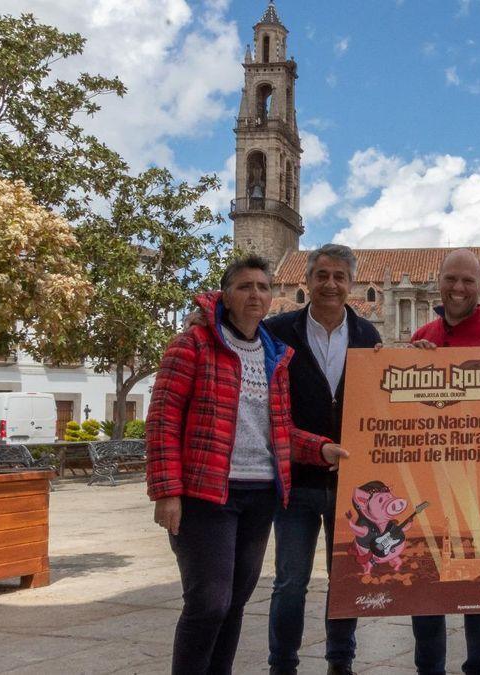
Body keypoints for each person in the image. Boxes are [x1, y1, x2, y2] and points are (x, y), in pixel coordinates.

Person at [146, 255, 348, 675]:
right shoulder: (193, 345)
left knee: (235, 602)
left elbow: (279, 431)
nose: (255, 294)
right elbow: (163, 419)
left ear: (272, 296)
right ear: (226, 294)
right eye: (244, 286)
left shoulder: (274, 354)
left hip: (260, 494)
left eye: (262, 286)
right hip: (208, 492)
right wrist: (166, 492)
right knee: (208, 602)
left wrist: (321, 448)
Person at [265, 244, 381, 675]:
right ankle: (282, 664)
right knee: (290, 583)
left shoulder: (369, 336)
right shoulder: (277, 332)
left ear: (351, 285)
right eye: (322, 275)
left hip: (350, 483)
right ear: (307, 281)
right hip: (296, 480)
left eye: (339, 277)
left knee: (345, 579)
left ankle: (340, 661)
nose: (330, 284)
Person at [400, 248, 480, 674]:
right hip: (429, 484)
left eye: (468, 280)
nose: (458, 288)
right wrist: (407, 366)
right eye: (451, 279)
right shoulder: (421, 337)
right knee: (424, 591)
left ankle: (479, 668)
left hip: (479, 488)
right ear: (438, 282)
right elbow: (405, 412)